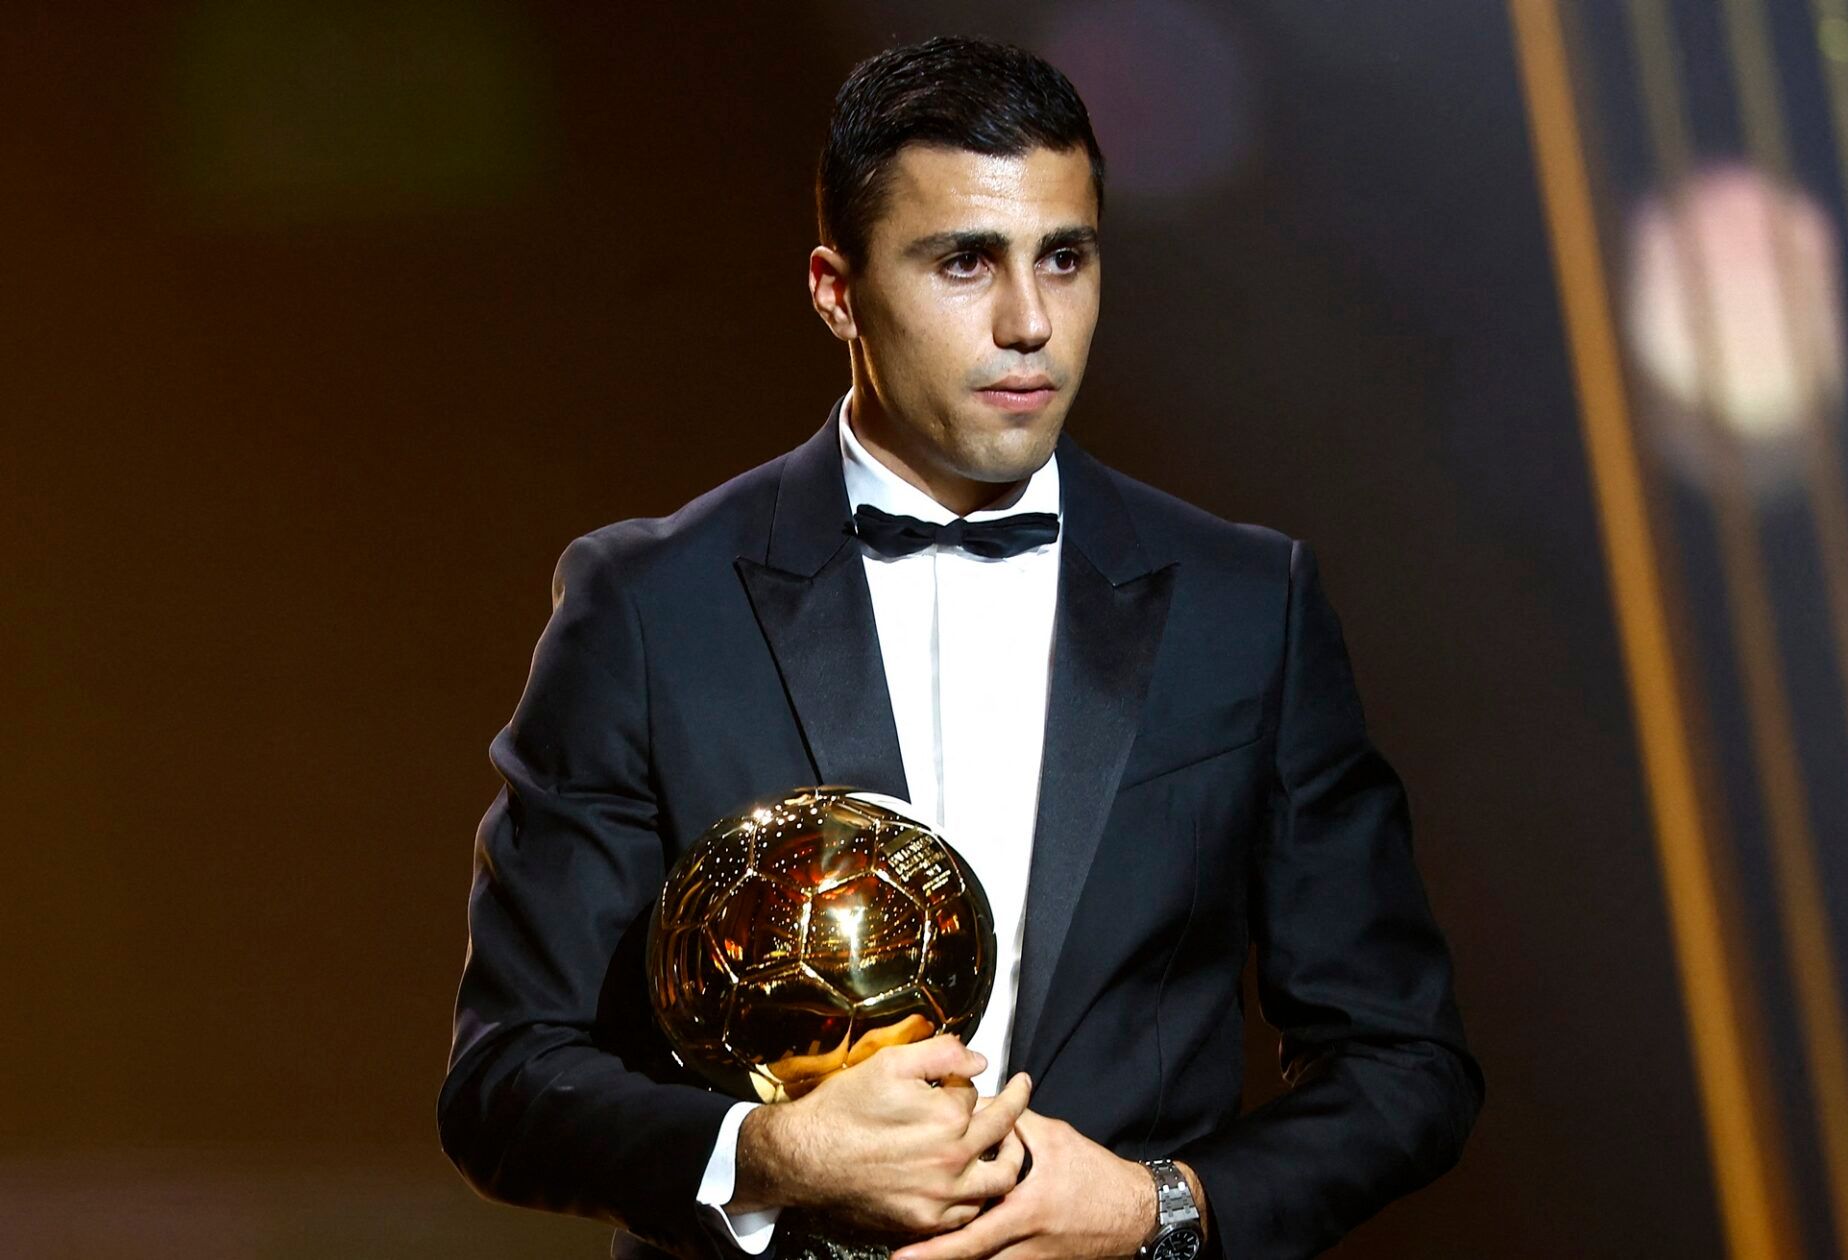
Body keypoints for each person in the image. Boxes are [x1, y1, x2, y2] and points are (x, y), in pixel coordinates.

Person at [437, 35, 1481, 1260]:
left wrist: (1161, 1209)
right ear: (836, 289)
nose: (1031, 321)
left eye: (1067, 258)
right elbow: (507, 1080)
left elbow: (1406, 1063)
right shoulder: (650, 605)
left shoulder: (1249, 602)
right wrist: (769, 1158)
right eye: (965, 262)